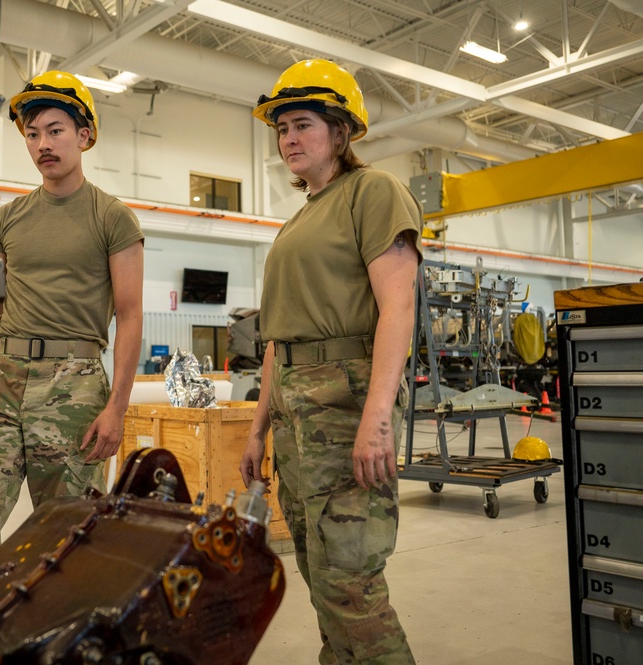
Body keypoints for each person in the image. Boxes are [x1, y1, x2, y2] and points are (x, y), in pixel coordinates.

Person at [0, 71, 144, 587]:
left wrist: (116, 407)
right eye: (32, 134)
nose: (43, 144)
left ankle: (59, 626)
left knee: (68, 528)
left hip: (72, 384)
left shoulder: (113, 218)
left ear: (84, 135)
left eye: (55, 130)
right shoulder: (8, 219)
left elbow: (131, 315)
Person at [239, 59, 422, 664]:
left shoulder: (373, 192)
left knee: (352, 585)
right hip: (296, 421)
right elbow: (275, 341)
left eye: (303, 124)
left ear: (340, 131)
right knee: (322, 582)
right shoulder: (298, 220)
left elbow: (398, 310)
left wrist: (377, 420)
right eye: (282, 128)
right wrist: (259, 425)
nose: (289, 138)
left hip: (343, 412)